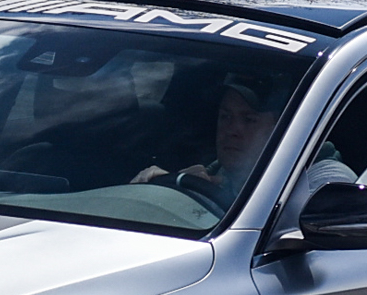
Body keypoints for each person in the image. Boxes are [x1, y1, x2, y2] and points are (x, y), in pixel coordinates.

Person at [134, 73, 353, 215]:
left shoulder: (325, 184)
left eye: (249, 120)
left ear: (283, 129)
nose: (232, 131)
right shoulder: (219, 172)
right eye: (225, 117)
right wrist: (168, 192)